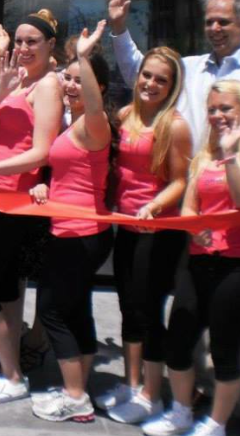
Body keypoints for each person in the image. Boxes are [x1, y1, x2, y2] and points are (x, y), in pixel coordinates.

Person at [0, 9, 63, 404]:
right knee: (0, 289)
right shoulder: (17, 80)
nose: (22, 48)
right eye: (18, 41)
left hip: (10, 201)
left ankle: (13, 376)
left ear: (50, 46)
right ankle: (8, 367)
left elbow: (41, 153)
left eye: (31, 42)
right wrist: (2, 87)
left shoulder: (49, 86)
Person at [26, 22, 114, 421]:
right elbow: (69, 173)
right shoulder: (72, 123)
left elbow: (94, 107)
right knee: (77, 311)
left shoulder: (94, 124)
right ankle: (79, 387)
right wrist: (47, 189)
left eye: (82, 81)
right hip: (71, 228)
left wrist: (83, 54)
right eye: (70, 80)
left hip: (79, 234)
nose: (73, 86)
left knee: (53, 312)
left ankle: (75, 397)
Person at [142, 80, 240, 436]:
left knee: (226, 350)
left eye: (226, 108)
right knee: (178, 340)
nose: (217, 115)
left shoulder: (232, 153)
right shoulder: (203, 154)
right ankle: (182, 411)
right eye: (212, 109)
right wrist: (192, 226)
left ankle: (216, 423)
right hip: (198, 260)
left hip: (234, 265)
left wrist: (230, 155)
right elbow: (189, 205)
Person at [99, 47, 192, 424]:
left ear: (172, 87)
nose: (151, 83)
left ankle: (152, 396)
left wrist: (153, 206)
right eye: (147, 75)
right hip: (128, 227)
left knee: (148, 311)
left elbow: (180, 182)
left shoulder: (175, 125)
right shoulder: (125, 116)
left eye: (161, 79)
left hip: (158, 231)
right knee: (128, 307)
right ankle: (132, 384)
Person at [108, 0, 240, 149]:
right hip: (184, 171)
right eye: (209, 22)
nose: (215, 28)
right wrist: (119, 28)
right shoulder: (191, 67)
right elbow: (140, 72)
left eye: (223, 22)